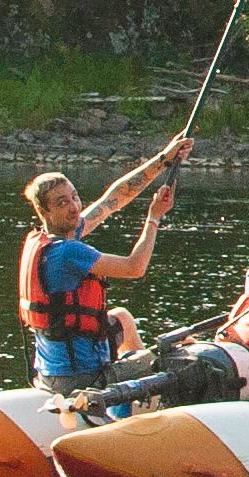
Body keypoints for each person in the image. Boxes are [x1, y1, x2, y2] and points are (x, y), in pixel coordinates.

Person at [17, 136, 192, 396]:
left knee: (121, 318)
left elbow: (113, 200)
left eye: (74, 197)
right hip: (79, 380)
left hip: (52, 373)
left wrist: (164, 160)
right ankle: (137, 405)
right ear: (45, 212)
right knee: (182, 355)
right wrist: (154, 217)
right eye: (62, 203)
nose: (74, 208)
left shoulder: (51, 239)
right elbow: (135, 267)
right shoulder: (67, 252)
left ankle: (131, 398)